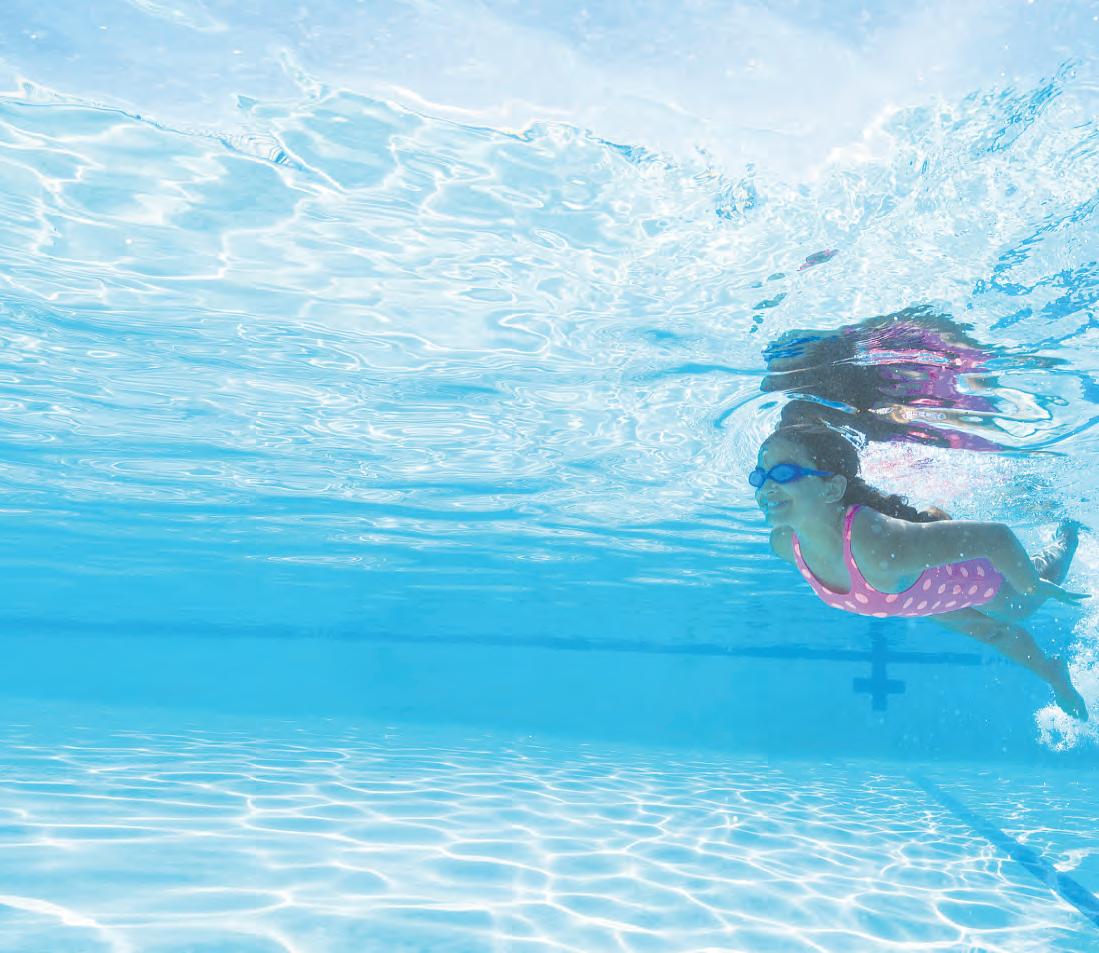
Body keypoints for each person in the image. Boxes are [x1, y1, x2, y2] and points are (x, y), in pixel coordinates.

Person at [753, 420, 1089, 720]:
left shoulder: (874, 544)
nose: (766, 487)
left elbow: (996, 537)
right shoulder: (784, 543)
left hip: (975, 581)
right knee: (992, 633)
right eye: (760, 475)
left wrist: (1030, 584)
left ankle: (1068, 533)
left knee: (1019, 607)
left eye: (783, 474)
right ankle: (1054, 674)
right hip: (924, 599)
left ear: (832, 488)